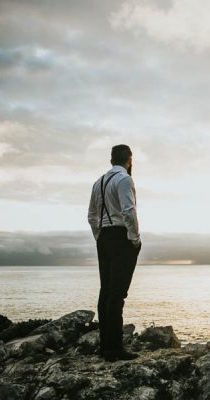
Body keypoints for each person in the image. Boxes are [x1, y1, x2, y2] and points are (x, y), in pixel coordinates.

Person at [88, 144, 142, 361]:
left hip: (104, 238)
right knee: (118, 294)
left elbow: (92, 216)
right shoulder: (124, 180)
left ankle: (106, 346)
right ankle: (115, 349)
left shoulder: (98, 182)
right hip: (121, 237)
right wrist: (134, 239)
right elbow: (129, 211)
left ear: (111, 160)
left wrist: (99, 236)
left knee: (106, 292)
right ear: (129, 159)